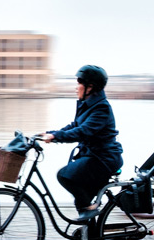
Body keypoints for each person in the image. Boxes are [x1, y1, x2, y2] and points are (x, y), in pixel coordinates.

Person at [39, 65, 123, 220]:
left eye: (79, 83)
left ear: (90, 87)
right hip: (94, 157)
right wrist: (51, 133)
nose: (76, 88)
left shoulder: (101, 108)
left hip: (103, 159)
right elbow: (74, 126)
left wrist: (56, 137)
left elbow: (83, 131)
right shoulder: (89, 105)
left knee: (64, 175)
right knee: (84, 202)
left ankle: (88, 209)